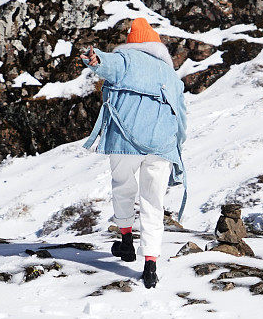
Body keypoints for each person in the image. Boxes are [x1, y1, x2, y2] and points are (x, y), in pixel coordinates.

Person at [80, 17, 187, 289]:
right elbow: (182, 119)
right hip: (162, 145)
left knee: (123, 187)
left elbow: (109, 64)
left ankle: (127, 243)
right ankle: (150, 264)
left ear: (132, 43)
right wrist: (176, 147)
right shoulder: (170, 76)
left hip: (126, 139)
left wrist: (95, 59)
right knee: (153, 201)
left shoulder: (127, 60)